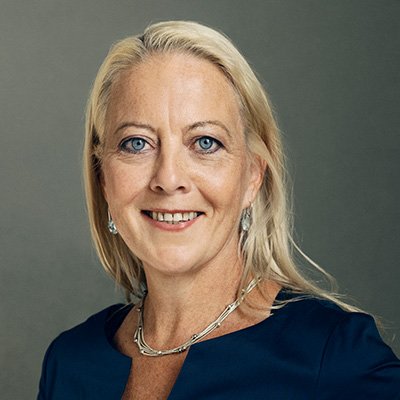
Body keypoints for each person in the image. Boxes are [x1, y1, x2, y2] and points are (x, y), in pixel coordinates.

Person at [37, 20, 400, 399]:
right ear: (103, 179)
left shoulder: (334, 355)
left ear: (252, 176)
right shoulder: (70, 363)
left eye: (205, 142)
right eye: (136, 143)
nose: (169, 179)